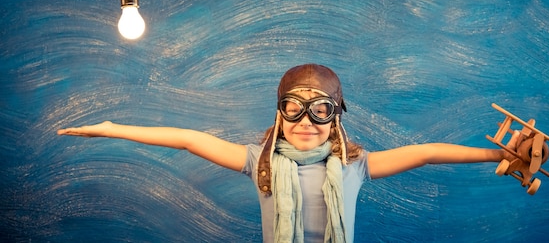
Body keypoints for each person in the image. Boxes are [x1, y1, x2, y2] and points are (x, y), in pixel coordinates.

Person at [58, 63, 518, 243]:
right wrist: (115, 129)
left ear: (336, 117)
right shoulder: (258, 161)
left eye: (319, 111)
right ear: (279, 116)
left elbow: (426, 152)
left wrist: (493, 156)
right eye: (293, 110)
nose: (304, 123)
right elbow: (186, 137)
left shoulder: (355, 166)